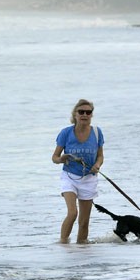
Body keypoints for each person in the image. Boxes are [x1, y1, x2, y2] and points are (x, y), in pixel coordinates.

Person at [52, 99, 105, 244]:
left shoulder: (97, 132)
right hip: (69, 177)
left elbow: (100, 156)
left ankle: (82, 249)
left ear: (91, 115)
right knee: (72, 213)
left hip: (89, 178)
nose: (84, 115)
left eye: (88, 112)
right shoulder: (66, 133)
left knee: (84, 221)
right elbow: (54, 158)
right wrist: (61, 159)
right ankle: (63, 244)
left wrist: (97, 165)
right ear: (75, 114)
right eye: (81, 112)